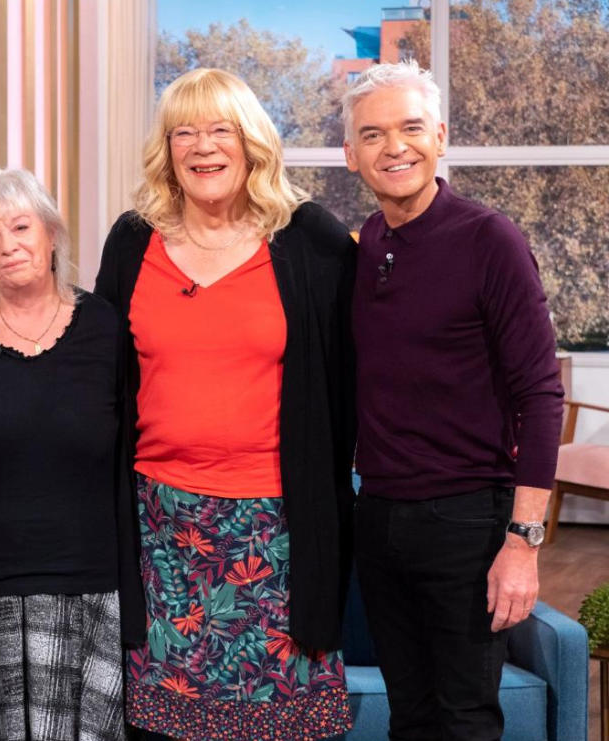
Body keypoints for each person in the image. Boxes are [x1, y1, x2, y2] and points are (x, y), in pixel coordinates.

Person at [95, 68, 356, 741]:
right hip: (160, 528)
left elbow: (361, 368)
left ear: (252, 143)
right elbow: (100, 378)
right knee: (166, 726)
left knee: (284, 725)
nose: (204, 147)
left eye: (221, 130)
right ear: (167, 149)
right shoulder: (132, 241)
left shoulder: (309, 240)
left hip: (278, 528)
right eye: (186, 131)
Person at [342, 60, 564, 741]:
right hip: (378, 516)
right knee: (410, 714)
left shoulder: (488, 238)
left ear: (440, 136)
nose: (394, 147)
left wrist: (523, 542)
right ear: (351, 155)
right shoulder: (367, 243)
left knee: (464, 718)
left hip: (467, 521)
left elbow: (541, 392)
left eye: (411, 128)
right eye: (373, 134)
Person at [0, 168, 136, 741]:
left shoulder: (106, 326)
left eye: (21, 226)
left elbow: (127, 454)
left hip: (88, 583)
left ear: (52, 235)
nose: (8, 245)